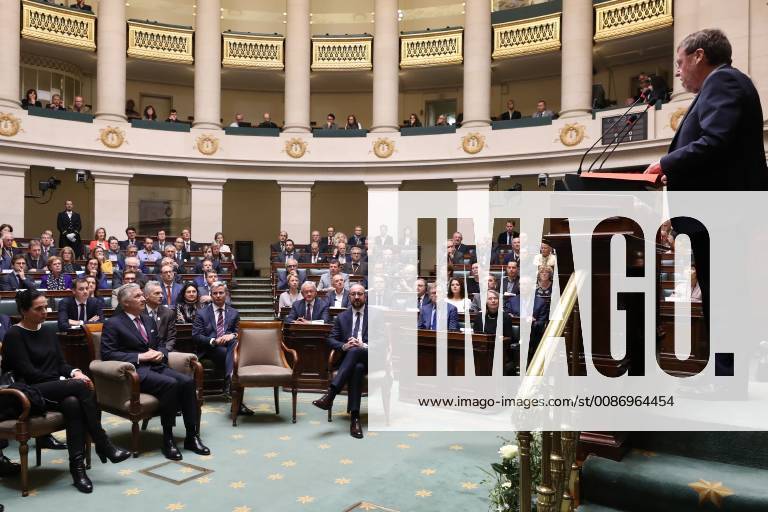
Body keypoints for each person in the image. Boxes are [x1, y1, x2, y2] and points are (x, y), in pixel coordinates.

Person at [644, 29, 768, 331]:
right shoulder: (719, 86)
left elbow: (715, 140)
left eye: (680, 61)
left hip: (721, 214)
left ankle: (727, 374)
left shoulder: (723, 81)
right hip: (717, 214)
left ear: (699, 55)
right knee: (719, 297)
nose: (676, 71)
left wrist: (665, 163)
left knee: (725, 299)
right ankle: (722, 372)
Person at [3, 289, 130, 493]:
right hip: (27, 392)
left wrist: (74, 371)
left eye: (46, 307)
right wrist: (66, 383)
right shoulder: (14, 335)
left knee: (73, 402)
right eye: (39, 308)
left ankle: (77, 470)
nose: (45, 312)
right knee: (79, 387)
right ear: (24, 311)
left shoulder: (46, 330)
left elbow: (61, 363)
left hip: (53, 388)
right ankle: (102, 441)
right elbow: (29, 373)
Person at [101, 284, 209, 460]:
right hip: (136, 371)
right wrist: (140, 357)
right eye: (138, 296)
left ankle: (192, 436)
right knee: (171, 384)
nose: (143, 299)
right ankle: (168, 439)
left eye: (142, 296)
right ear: (126, 303)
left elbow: (159, 343)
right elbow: (108, 354)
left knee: (188, 382)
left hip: (157, 366)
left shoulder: (147, 319)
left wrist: (161, 353)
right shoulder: (113, 323)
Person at [312, 284, 369, 438]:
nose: (356, 297)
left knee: (357, 349)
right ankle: (355, 418)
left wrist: (362, 344)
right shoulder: (342, 317)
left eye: (360, 294)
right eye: (353, 294)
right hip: (352, 361)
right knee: (356, 368)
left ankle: (331, 394)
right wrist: (344, 345)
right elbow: (330, 339)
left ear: (365, 296)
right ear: (349, 297)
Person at [191, 282, 252, 415]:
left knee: (234, 343)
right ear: (211, 295)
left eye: (221, 293)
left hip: (228, 347)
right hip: (210, 348)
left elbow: (239, 332)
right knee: (238, 360)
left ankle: (231, 380)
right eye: (215, 293)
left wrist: (231, 335)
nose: (218, 296)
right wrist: (213, 340)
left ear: (226, 294)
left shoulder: (234, 312)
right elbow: (196, 336)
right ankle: (233, 385)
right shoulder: (201, 313)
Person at [144, 281, 177, 352]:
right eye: (157, 293)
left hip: (164, 351)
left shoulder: (169, 313)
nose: (161, 296)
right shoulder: (139, 312)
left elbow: (171, 338)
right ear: (146, 296)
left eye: (162, 293)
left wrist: (163, 352)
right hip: (143, 352)